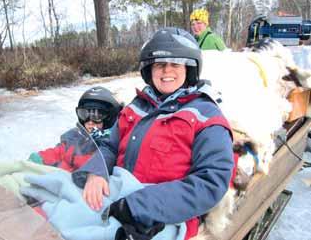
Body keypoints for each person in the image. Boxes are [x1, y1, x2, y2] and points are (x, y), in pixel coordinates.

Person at [72, 27, 234, 240]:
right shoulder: (137, 106)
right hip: (117, 197)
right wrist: (97, 172)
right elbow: (109, 146)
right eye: (160, 65)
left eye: (175, 64)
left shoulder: (206, 115)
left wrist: (140, 206)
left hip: (166, 214)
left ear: (189, 69)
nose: (167, 71)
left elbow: (211, 181)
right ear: (149, 70)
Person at [28, 86, 122, 172]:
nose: (89, 121)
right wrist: (39, 158)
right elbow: (59, 151)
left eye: (96, 116)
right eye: (84, 114)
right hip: (60, 181)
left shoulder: (110, 148)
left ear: (110, 118)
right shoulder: (75, 137)